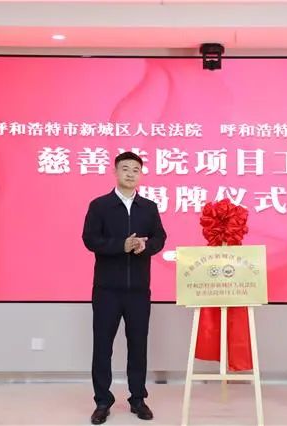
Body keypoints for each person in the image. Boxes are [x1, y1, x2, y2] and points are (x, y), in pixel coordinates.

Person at [82, 151, 166, 425]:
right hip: (106, 290)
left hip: (139, 290)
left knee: (138, 345)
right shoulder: (100, 205)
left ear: (140, 175)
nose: (130, 174)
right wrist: (121, 245)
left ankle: (138, 399)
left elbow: (160, 238)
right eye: (125, 169)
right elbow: (90, 239)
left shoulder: (149, 207)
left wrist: (145, 246)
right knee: (102, 346)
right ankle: (102, 401)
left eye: (135, 170)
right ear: (116, 172)